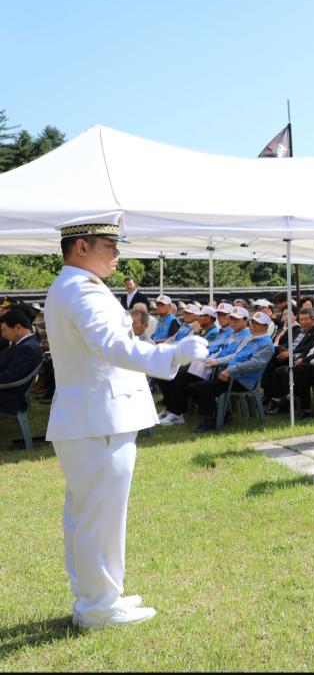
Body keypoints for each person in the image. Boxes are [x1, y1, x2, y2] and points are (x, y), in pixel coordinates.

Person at [44, 212, 209, 628]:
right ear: (82, 246)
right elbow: (113, 345)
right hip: (98, 418)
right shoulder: (81, 290)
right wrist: (173, 354)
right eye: (110, 246)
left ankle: (99, 596)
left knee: (90, 515)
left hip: (92, 416)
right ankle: (99, 606)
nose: (117, 254)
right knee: (99, 517)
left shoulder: (77, 286)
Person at [187, 311, 276, 432]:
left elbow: (254, 364)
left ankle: (209, 421)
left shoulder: (267, 344)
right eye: (253, 322)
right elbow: (235, 355)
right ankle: (219, 414)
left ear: (265, 327)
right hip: (233, 375)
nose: (253, 325)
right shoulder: (250, 338)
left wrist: (230, 371)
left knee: (202, 388)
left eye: (257, 324)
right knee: (193, 387)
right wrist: (216, 362)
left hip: (243, 380)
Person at [0, 308, 44, 415]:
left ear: (18, 327)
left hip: (8, 397)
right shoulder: (26, 344)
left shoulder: (27, 348)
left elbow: (11, 377)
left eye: (4, 330)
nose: (3, 335)